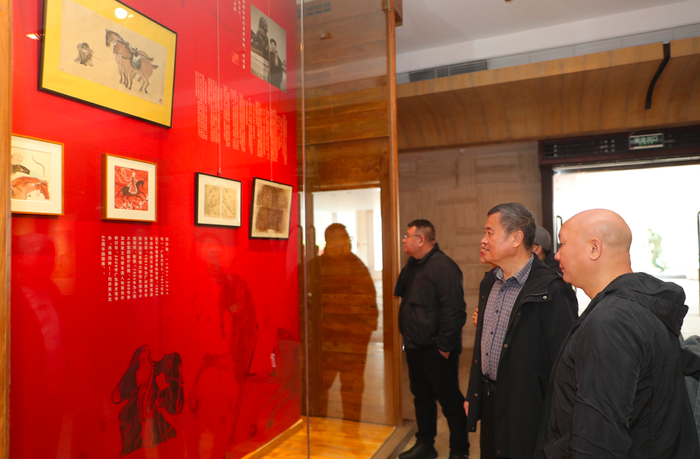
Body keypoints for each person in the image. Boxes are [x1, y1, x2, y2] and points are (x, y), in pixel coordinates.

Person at [536, 209, 700, 458]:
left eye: (563, 243)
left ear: (594, 248)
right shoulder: (640, 307)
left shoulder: (610, 322)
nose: (557, 254)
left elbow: (598, 441)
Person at [465, 203, 577, 459]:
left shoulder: (553, 290)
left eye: (490, 232)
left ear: (516, 238)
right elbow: (482, 344)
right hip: (491, 400)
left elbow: (564, 365)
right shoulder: (489, 282)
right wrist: (473, 394)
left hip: (528, 409)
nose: (483, 240)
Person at [395, 219, 469, 459]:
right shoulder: (412, 265)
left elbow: (454, 310)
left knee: (450, 402)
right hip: (414, 345)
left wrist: (444, 347)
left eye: (407, 236)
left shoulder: (444, 267)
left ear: (421, 240)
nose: (404, 240)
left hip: (436, 348)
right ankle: (425, 445)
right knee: (422, 397)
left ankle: (459, 451)